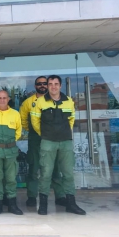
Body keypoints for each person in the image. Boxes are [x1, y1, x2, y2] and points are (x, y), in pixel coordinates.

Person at [31, 75, 86, 216]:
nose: (53, 86)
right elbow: (35, 122)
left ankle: (71, 203)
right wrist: (45, 134)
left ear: (60, 86)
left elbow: (71, 119)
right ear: (48, 86)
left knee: (68, 173)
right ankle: (43, 205)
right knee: (45, 174)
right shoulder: (40, 102)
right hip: (48, 142)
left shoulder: (68, 101)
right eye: (50, 84)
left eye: (56, 84)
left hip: (65, 142)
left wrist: (65, 133)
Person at [19, 76, 66, 207]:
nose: (42, 86)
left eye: (45, 83)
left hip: (53, 138)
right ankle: (32, 196)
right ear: (35, 86)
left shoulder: (55, 100)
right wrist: (35, 131)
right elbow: (23, 120)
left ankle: (60, 196)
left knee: (55, 167)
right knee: (33, 167)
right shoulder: (28, 102)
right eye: (39, 84)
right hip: (35, 139)